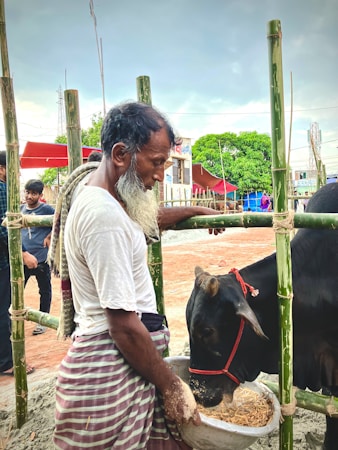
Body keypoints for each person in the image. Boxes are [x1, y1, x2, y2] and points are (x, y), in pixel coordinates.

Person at [51, 102, 226, 449]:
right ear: (120, 154)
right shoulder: (104, 217)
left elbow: (145, 219)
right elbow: (123, 326)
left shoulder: (103, 194)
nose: (161, 174)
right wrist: (172, 386)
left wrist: (195, 209)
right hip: (112, 366)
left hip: (123, 363)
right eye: (157, 162)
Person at [0, 151, 37, 376]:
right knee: (4, 310)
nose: (19, 174)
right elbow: (4, 227)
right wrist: (22, 252)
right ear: (2, 168)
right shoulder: (2, 188)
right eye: (15, 169)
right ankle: (6, 362)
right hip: (1, 263)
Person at [21, 179, 55, 335]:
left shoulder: (47, 209)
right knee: (17, 289)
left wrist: (49, 236)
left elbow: (60, 223)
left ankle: (42, 320)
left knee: (45, 291)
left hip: (41, 259)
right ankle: (13, 317)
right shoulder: (20, 209)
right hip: (23, 259)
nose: (29, 196)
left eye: (34, 193)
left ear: (40, 195)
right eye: (27, 192)